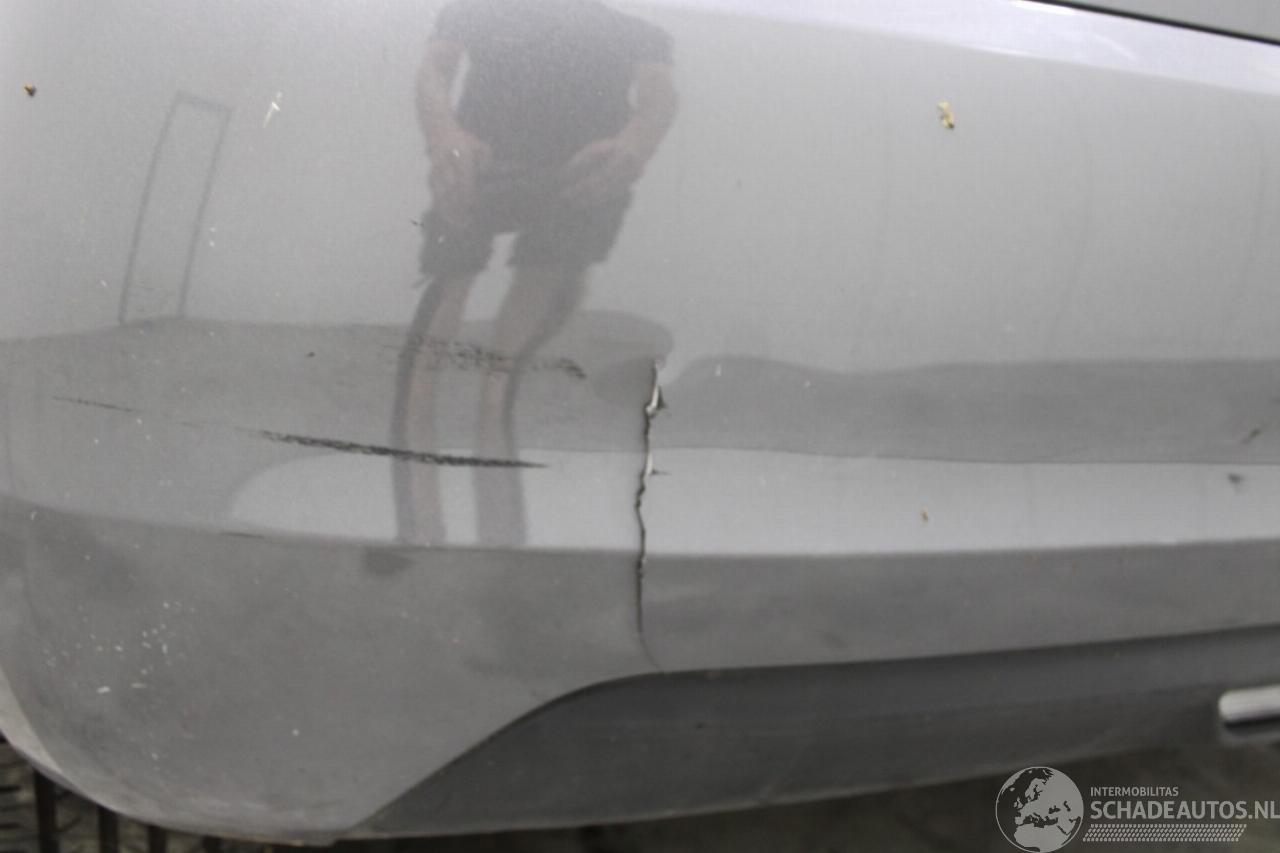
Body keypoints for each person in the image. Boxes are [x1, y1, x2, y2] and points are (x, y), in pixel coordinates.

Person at [392, 0, 677, 545]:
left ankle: (493, 405)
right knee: (451, 278)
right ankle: (422, 446)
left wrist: (634, 146)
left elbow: (659, 94)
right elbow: (435, 68)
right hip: (480, 159)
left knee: (540, 276)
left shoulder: (632, 26)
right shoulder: (479, 9)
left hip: (583, 172)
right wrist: (444, 134)